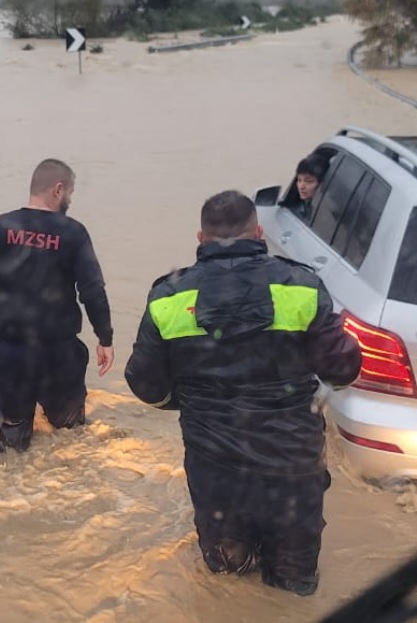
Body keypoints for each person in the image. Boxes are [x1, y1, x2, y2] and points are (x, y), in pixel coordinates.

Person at [124, 190, 362, 596]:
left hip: (216, 474)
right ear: (259, 232)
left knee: (226, 586)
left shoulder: (169, 298)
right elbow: (342, 369)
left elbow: (145, 385)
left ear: (201, 239)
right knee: (293, 589)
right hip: (292, 470)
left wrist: (191, 403)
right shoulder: (301, 286)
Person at [0, 158, 115, 453]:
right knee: (69, 436)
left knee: (10, 444)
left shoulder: (1, 227)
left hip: (11, 355)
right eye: (70, 192)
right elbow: (92, 290)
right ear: (58, 189)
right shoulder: (73, 233)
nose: (69, 199)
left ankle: (7, 493)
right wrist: (104, 338)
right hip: (60, 355)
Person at [292, 152, 330, 221]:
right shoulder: (307, 205)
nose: (301, 186)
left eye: (308, 181)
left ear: (322, 184)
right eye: (299, 180)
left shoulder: (324, 213)